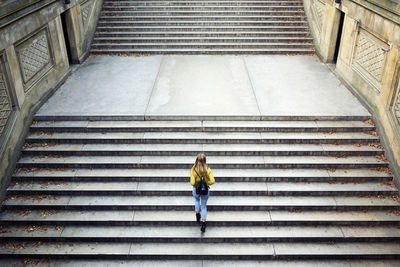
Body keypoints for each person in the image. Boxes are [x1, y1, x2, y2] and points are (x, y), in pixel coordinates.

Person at [190, 153, 215, 232]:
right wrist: (206, 183)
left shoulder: (193, 169)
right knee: (203, 206)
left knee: (197, 201)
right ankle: (203, 223)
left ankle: (197, 214)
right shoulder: (208, 170)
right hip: (205, 190)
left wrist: (197, 184)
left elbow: (192, 182)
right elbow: (212, 181)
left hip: (196, 190)